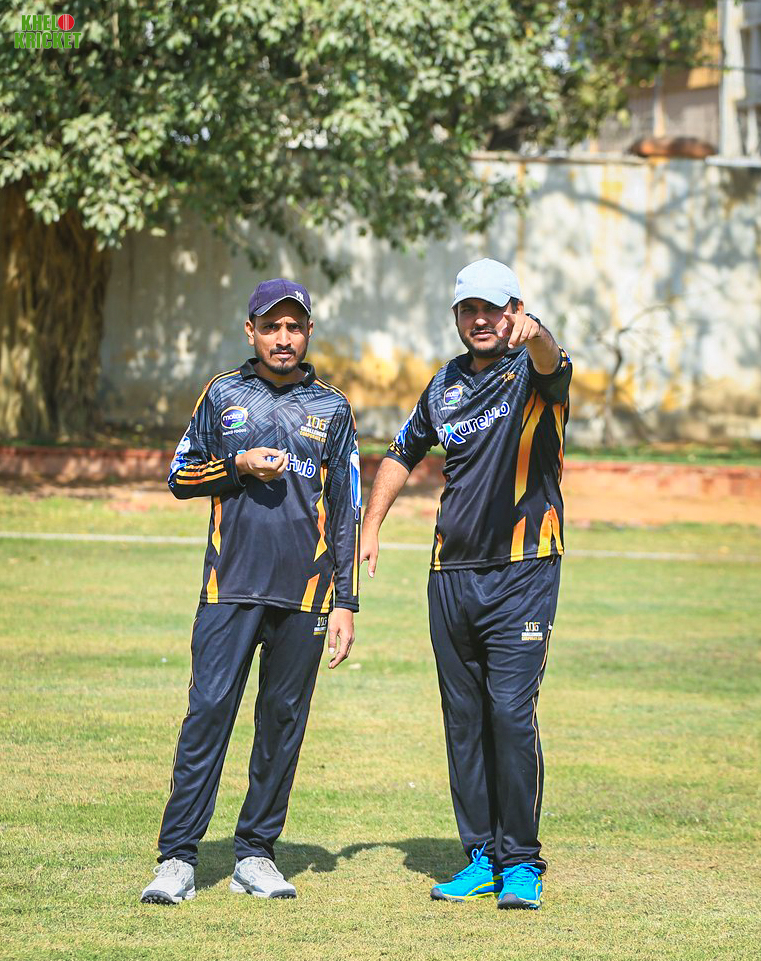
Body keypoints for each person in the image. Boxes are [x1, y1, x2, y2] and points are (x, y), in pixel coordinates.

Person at [141, 278, 361, 904]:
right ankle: (177, 859)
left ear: (308, 331)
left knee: (281, 726)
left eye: (293, 327)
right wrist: (237, 466)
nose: (282, 338)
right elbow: (180, 477)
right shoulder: (223, 394)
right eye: (271, 327)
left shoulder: (333, 409)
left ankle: (256, 854)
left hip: (306, 596)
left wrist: (346, 602)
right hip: (228, 589)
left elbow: (346, 511)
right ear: (251, 331)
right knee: (208, 717)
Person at [360, 259, 571, 910]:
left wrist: (537, 333)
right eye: (468, 309)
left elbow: (552, 358)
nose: (480, 319)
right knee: (464, 719)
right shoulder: (444, 383)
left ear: (514, 311)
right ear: (456, 316)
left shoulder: (534, 373)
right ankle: (480, 855)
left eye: (492, 308)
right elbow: (402, 452)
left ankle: (521, 861)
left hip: (524, 569)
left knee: (509, 712)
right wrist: (371, 525)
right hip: (449, 573)